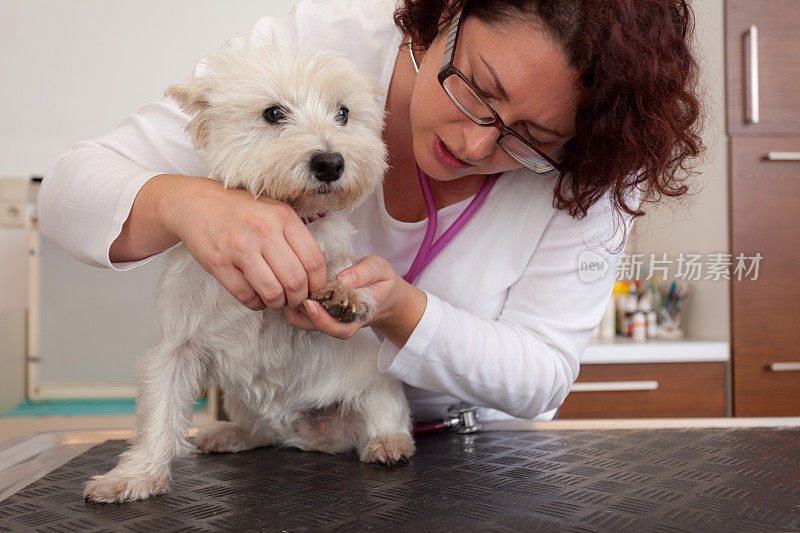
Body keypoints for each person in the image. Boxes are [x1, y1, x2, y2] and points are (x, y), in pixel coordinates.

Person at [37, 0, 702, 423]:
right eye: (477, 88)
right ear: (449, 11)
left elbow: (541, 377)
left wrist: (397, 310)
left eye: (530, 138)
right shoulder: (322, 51)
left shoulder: (595, 167)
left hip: (473, 466)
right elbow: (67, 194)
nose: (473, 144)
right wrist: (188, 203)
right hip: (276, 437)